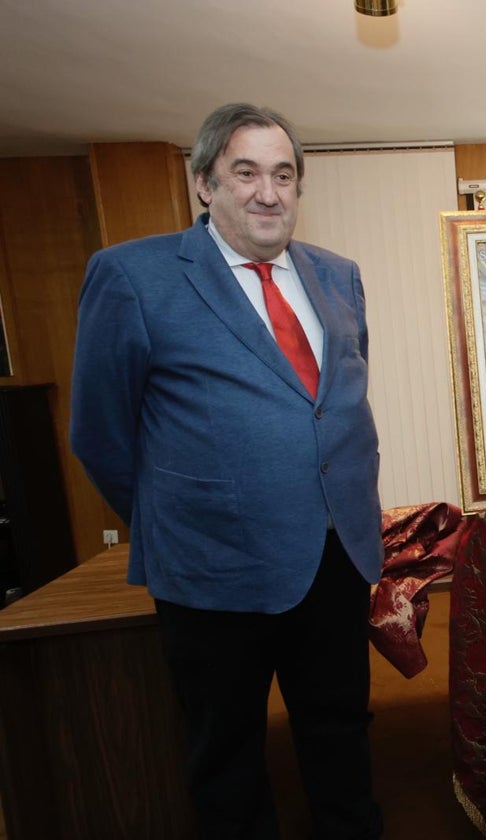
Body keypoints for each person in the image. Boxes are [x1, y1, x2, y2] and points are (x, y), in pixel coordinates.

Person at [70, 103, 386, 839]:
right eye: (245, 173)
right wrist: (183, 516)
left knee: (342, 737)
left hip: (335, 555)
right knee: (229, 757)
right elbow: (99, 434)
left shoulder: (339, 276)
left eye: (283, 175)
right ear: (205, 184)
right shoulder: (132, 276)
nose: (268, 192)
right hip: (212, 567)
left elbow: (331, 405)